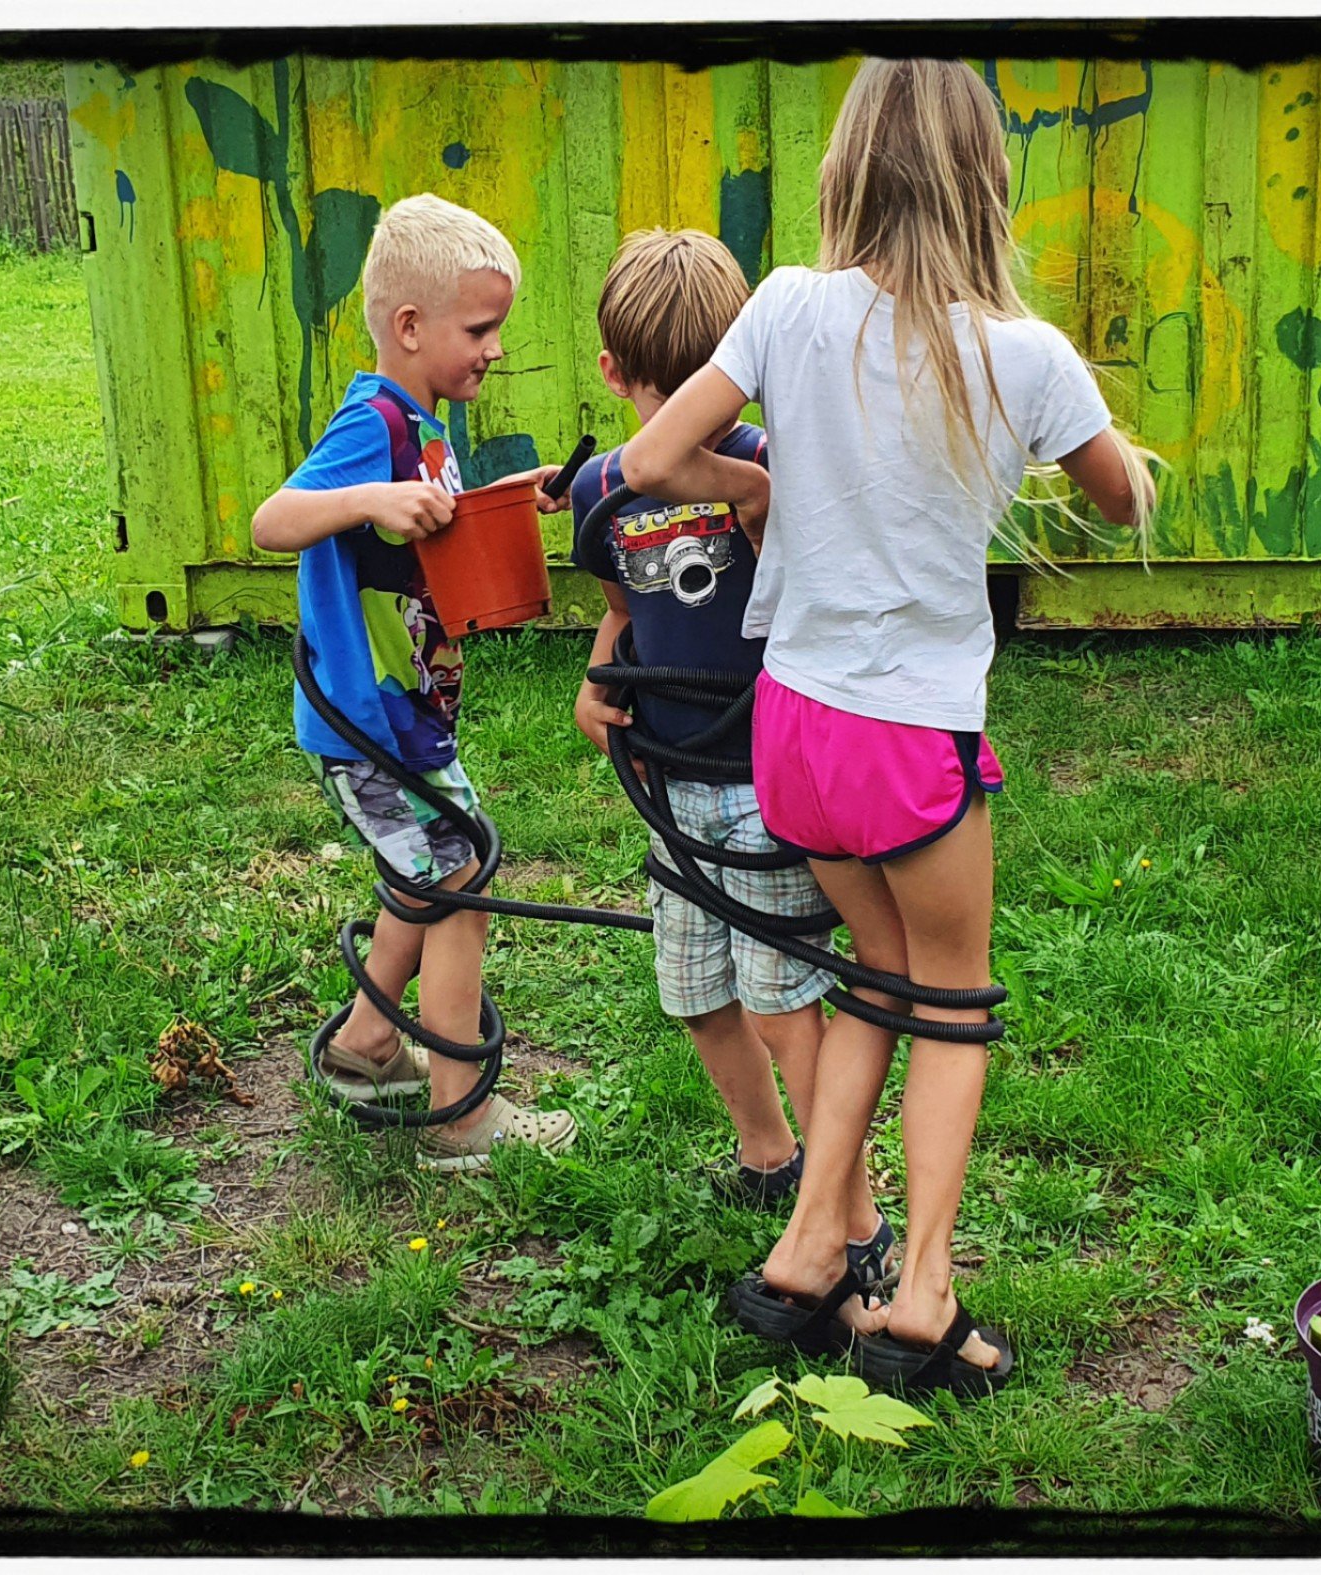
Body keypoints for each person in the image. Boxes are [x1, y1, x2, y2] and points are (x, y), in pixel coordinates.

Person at [620, 59, 1156, 1395]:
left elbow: (645, 465)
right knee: (953, 1005)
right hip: (911, 746)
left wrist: (764, 484)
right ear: (986, 181)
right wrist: (1126, 454)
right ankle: (919, 1291)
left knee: (872, 973)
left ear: (844, 171)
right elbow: (1119, 503)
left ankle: (808, 1247)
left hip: (791, 730)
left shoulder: (788, 308)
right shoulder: (1025, 352)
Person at [568, 229, 894, 1289]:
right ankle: (768, 1155)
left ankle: (851, 1214)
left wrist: (746, 489)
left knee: (780, 998)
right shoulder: (599, 495)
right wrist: (597, 672)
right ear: (616, 377)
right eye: (658, 391)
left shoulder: (763, 467)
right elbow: (622, 608)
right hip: (671, 785)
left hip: (766, 781)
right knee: (695, 991)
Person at [251, 192, 575, 1172]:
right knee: (463, 875)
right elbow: (273, 522)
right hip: (368, 720)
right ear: (408, 326)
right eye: (479, 330)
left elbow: (434, 530)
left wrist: (524, 495)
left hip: (406, 712)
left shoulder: (426, 426)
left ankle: (362, 1047)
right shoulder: (374, 423)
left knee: (421, 877)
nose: (491, 348)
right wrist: (372, 494)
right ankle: (459, 1114)